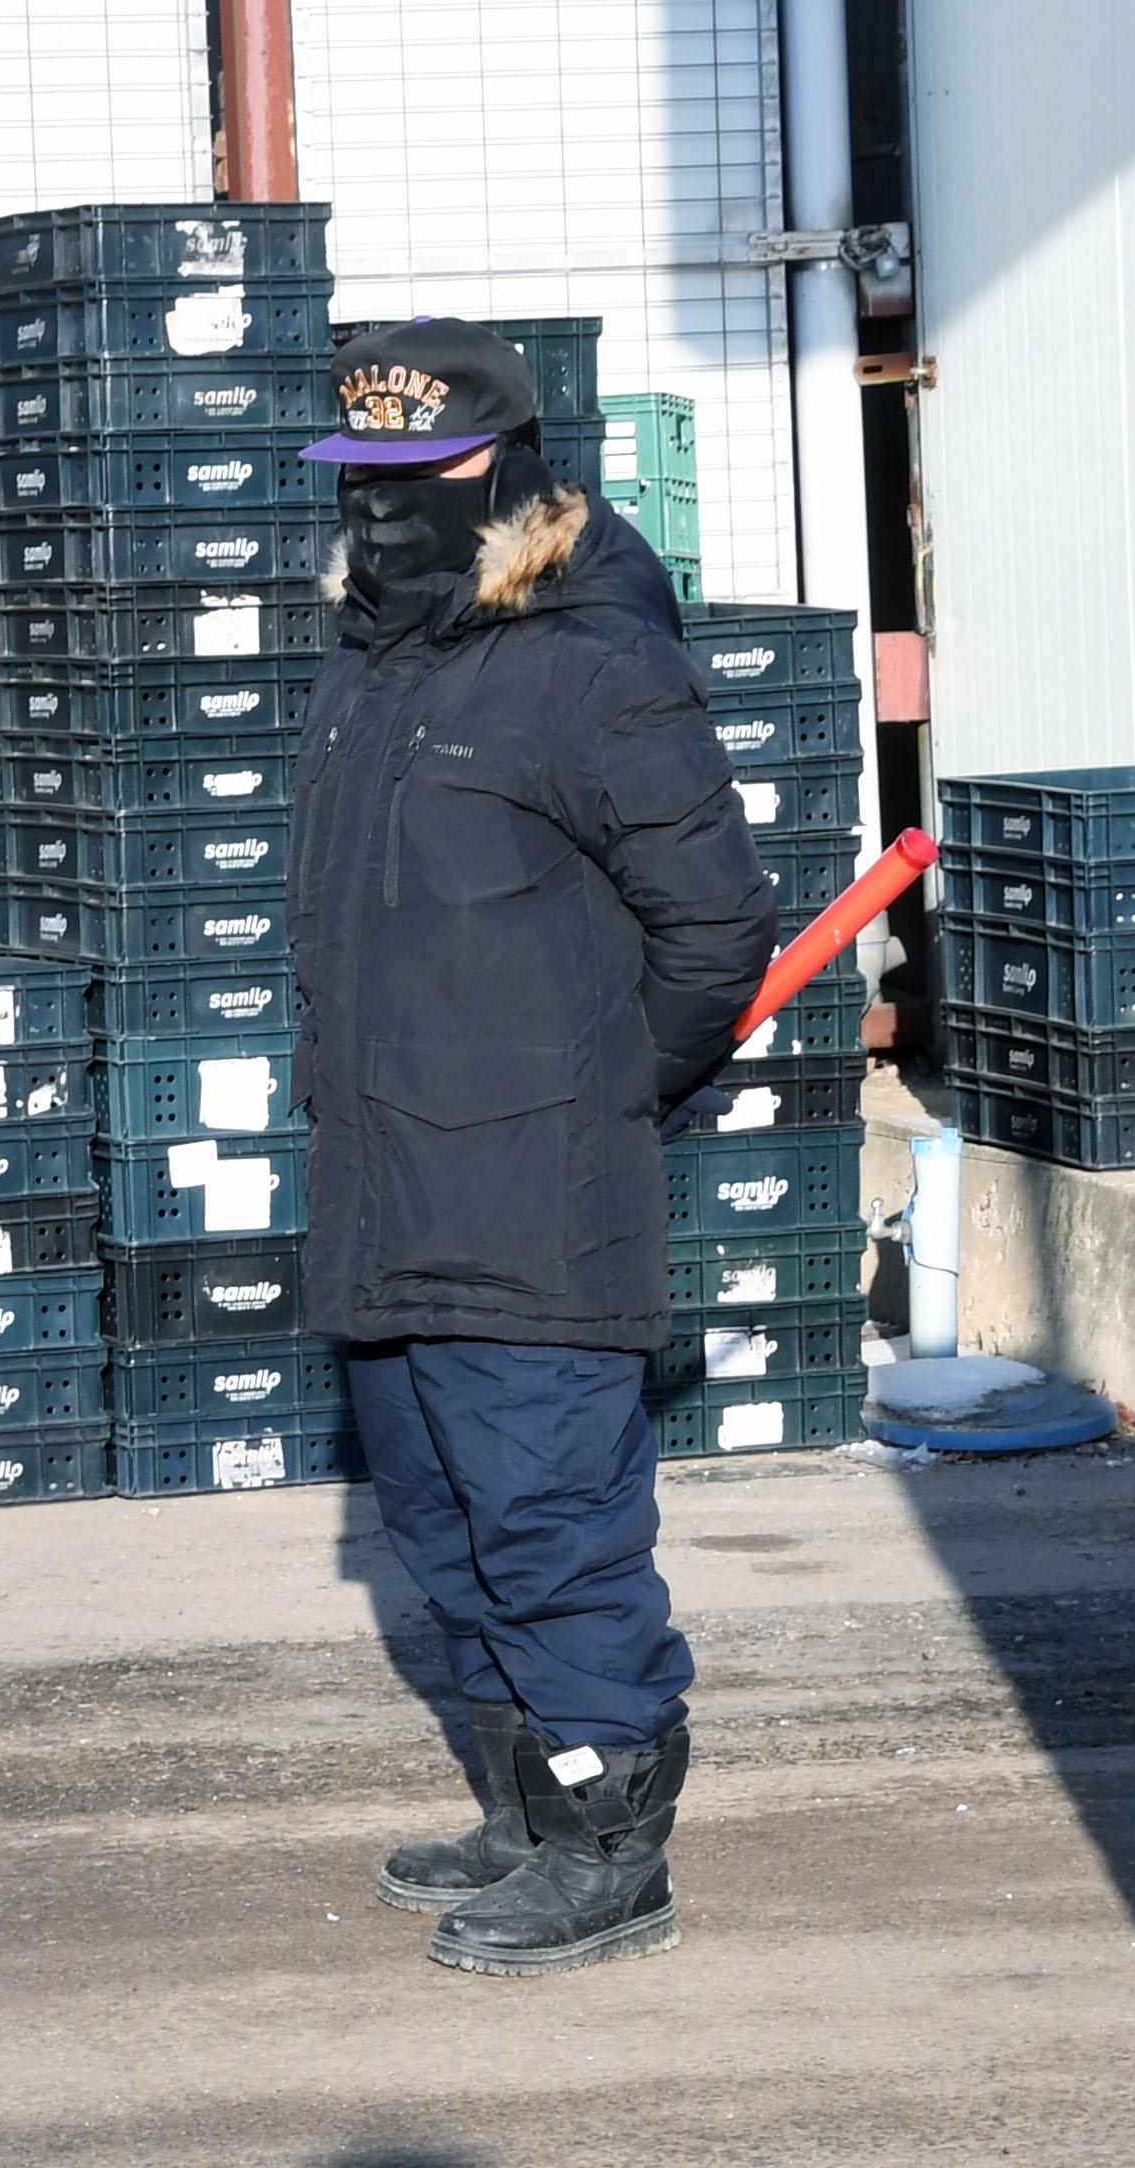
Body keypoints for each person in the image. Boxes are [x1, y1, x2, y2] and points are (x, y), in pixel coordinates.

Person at [289, 316, 777, 1976]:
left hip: (532, 1198)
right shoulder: (369, 664)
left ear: (495, 471)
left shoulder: (592, 663)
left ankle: (612, 1851)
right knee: (437, 1519)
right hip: (378, 1180)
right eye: (354, 480)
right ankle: (526, 1810)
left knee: (552, 1523)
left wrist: (589, 1098)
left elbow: (717, 937)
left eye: (407, 480)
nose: (374, 511)